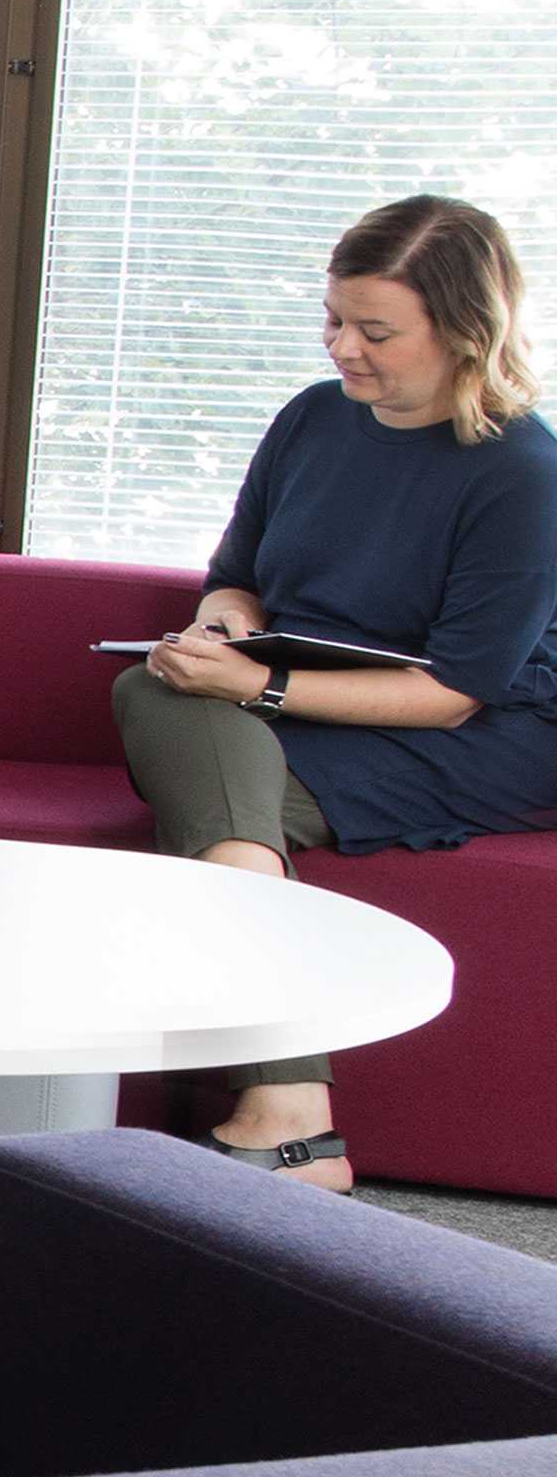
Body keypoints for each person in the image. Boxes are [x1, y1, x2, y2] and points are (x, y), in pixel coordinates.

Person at [114, 194, 557, 1192]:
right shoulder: (314, 419)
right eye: (333, 320)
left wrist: (255, 688)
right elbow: (236, 575)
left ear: (464, 330)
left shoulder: (524, 472)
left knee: (194, 739)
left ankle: (291, 1108)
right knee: (161, 690)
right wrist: (221, 630)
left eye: (374, 330)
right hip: (300, 697)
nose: (342, 348)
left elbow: (454, 692)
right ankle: (292, 1117)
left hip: (482, 733)